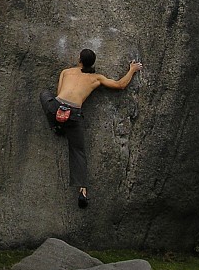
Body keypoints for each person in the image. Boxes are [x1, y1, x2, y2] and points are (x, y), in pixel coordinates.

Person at [40, 49, 142, 208]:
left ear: (79, 60)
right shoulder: (96, 78)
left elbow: (59, 92)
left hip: (57, 107)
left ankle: (56, 126)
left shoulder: (66, 72)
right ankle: (83, 190)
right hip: (74, 114)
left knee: (44, 94)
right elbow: (120, 85)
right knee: (78, 151)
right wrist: (132, 70)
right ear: (92, 63)